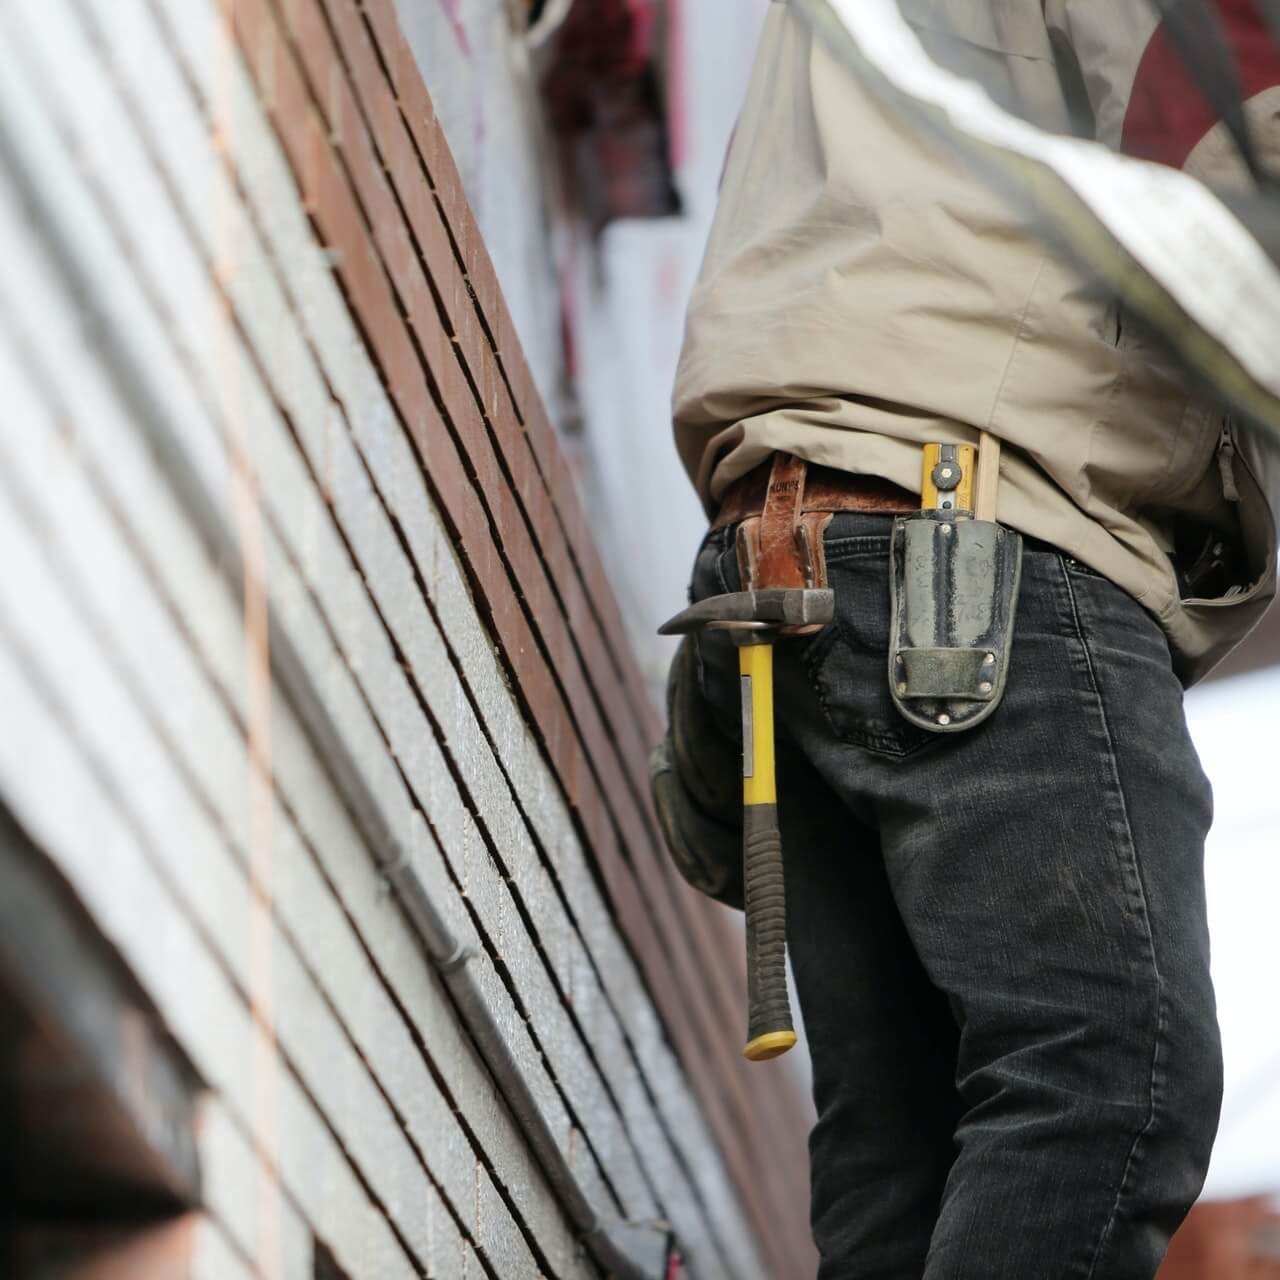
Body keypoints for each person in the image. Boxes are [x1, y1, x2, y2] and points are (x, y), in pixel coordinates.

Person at [659, 3, 1280, 1276]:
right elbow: (1232, 163)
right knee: (1114, 1072)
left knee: (909, 1150)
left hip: (810, 532)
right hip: (976, 527)